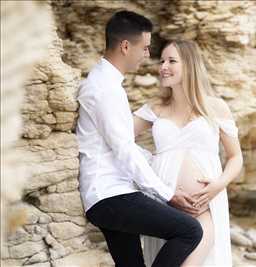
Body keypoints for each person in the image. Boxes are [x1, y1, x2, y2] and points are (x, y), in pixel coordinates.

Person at [76, 11, 204, 267]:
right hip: (110, 195)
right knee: (190, 231)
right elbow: (124, 149)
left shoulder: (107, 84)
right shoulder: (105, 89)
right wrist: (167, 193)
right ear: (125, 46)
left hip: (110, 194)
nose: (147, 55)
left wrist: (157, 161)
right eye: (144, 48)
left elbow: (121, 144)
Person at [134, 40, 243, 266]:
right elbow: (118, 140)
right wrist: (150, 162)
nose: (163, 66)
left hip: (204, 205)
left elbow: (235, 157)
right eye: (162, 60)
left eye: (172, 61)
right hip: (165, 205)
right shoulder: (156, 107)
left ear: (190, 65)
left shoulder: (215, 107)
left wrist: (217, 185)